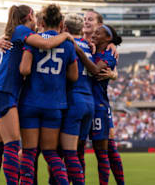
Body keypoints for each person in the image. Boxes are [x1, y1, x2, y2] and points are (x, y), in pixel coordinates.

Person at [0, 4, 73, 185]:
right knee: (12, 145)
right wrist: (65, 35)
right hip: (4, 91)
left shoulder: (15, 35)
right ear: (30, 16)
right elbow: (47, 43)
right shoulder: (22, 31)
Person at [18, 4, 78, 185]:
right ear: (61, 23)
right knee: (51, 153)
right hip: (54, 104)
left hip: (30, 102)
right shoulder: (67, 44)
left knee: (29, 152)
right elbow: (74, 76)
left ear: (42, 22)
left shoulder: (33, 39)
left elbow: (24, 69)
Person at [82, 10, 124, 185]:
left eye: (90, 20)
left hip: (98, 104)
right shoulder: (79, 41)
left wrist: (114, 74)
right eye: (84, 19)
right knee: (75, 151)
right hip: (80, 102)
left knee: (108, 149)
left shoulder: (107, 50)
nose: (86, 22)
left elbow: (99, 69)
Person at [59, 13, 96, 185]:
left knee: (67, 153)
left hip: (74, 100)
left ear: (65, 28)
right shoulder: (89, 47)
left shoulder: (66, 44)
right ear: (81, 29)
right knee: (79, 152)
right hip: (89, 101)